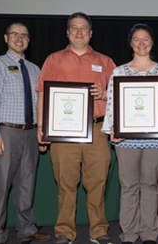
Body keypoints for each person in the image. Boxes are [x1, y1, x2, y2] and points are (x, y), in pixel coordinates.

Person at [36, 12, 116, 244]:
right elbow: (42, 92)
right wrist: (42, 126)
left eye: (84, 28)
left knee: (98, 183)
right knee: (65, 184)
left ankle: (99, 231)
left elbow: (121, 94)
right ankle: (64, 231)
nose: (79, 32)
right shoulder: (53, 60)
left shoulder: (105, 61)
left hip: (97, 131)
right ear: (68, 32)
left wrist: (106, 94)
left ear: (91, 33)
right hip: (63, 133)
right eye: (74, 28)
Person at [101, 23, 158, 244]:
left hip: (156, 135)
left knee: (150, 184)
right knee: (128, 186)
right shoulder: (118, 71)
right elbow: (112, 107)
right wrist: (112, 128)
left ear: (152, 43)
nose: (141, 43)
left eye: (146, 39)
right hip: (126, 137)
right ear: (130, 43)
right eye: (137, 39)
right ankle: (128, 234)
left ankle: (148, 234)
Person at [0, 22, 52, 244]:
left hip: (31, 133)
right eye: (15, 34)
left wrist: (42, 132)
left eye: (24, 35)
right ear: (6, 38)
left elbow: (40, 104)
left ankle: (26, 229)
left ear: (29, 41)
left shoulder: (34, 69)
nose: (19, 38)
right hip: (6, 133)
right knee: (0, 187)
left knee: (26, 184)